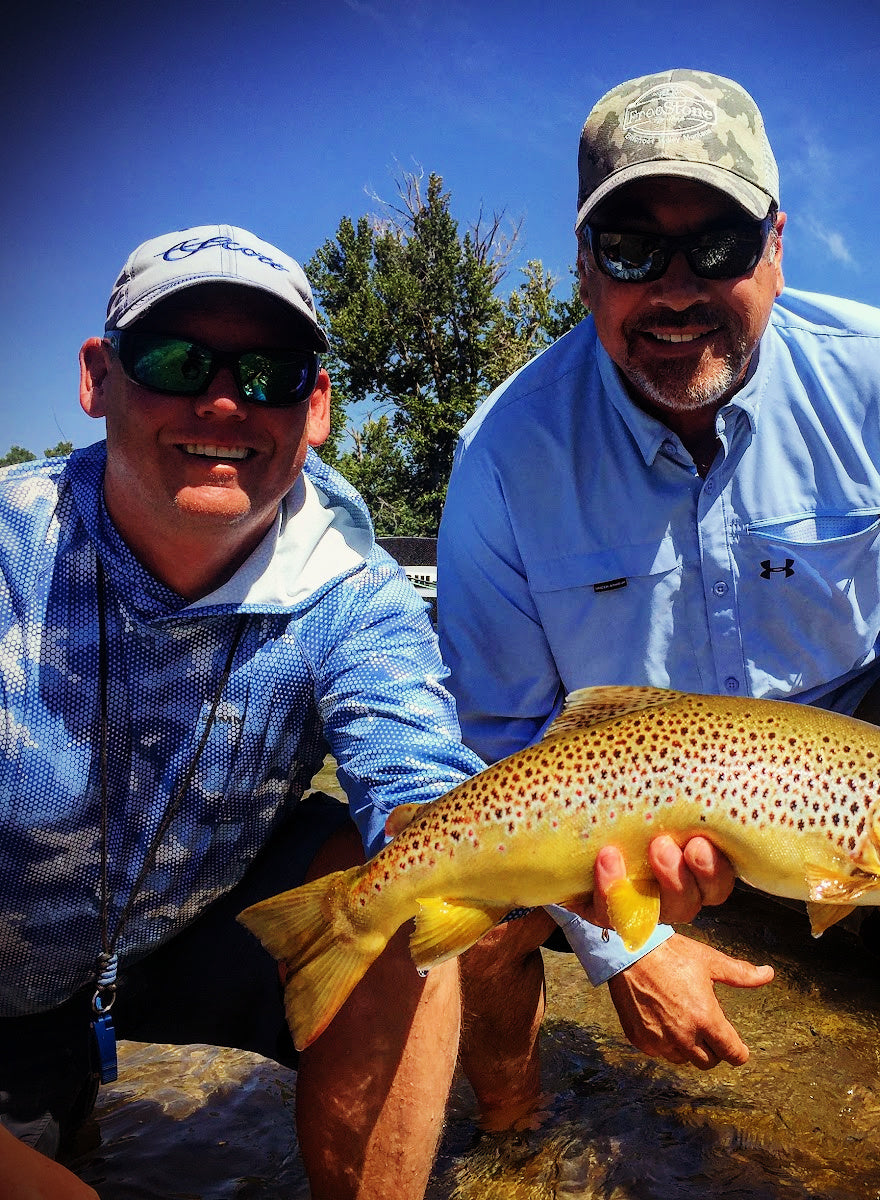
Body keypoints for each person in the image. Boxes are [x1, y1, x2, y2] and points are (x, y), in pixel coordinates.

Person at [0, 223, 727, 1200]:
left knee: (399, 894)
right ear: (98, 376)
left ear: (317, 408)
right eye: (175, 360)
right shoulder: (14, 557)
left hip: (198, 939)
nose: (222, 399)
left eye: (271, 372)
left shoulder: (355, 596)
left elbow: (427, 799)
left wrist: (612, 921)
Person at [437, 70, 880, 1198]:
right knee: (476, 918)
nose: (673, 289)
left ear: (777, 243)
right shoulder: (503, 456)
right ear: (580, 266)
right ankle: (517, 1143)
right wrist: (625, 945)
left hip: (844, 742)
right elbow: (503, 735)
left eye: (714, 244)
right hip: (617, 770)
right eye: (628, 248)